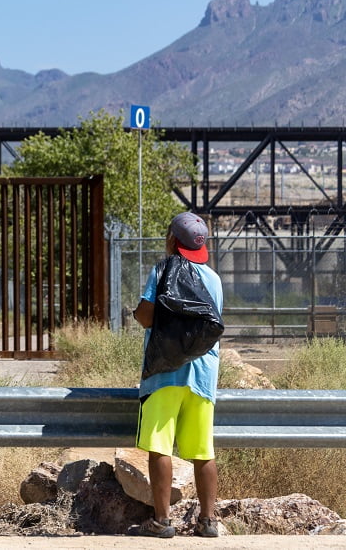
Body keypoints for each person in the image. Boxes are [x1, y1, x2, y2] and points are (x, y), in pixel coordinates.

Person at [129, 211, 223, 538]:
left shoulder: (162, 269)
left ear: (172, 240)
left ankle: (161, 521)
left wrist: (138, 311)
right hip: (202, 375)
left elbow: (145, 317)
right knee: (202, 450)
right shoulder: (214, 279)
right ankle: (209, 521)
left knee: (160, 447)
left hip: (164, 372)